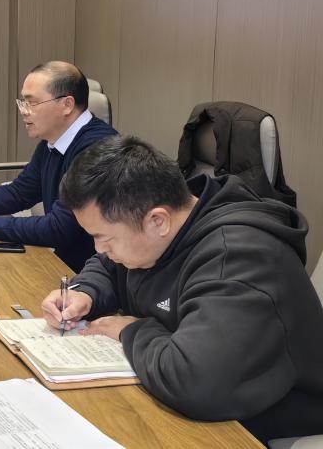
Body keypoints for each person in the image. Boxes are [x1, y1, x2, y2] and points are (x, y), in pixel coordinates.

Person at [41, 135, 323, 442]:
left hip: (264, 427)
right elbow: (109, 266)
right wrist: (85, 291)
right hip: (185, 402)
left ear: (158, 221)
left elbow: (196, 381)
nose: (100, 248)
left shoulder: (240, 260)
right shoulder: (161, 229)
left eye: (105, 238)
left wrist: (131, 330)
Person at [0, 61, 117, 271]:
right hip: (64, 263)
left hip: (93, 274)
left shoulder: (97, 150)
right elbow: (19, 193)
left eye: (32, 103)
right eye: (22, 102)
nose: (24, 111)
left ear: (67, 104)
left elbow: (60, 228)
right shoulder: (53, 140)